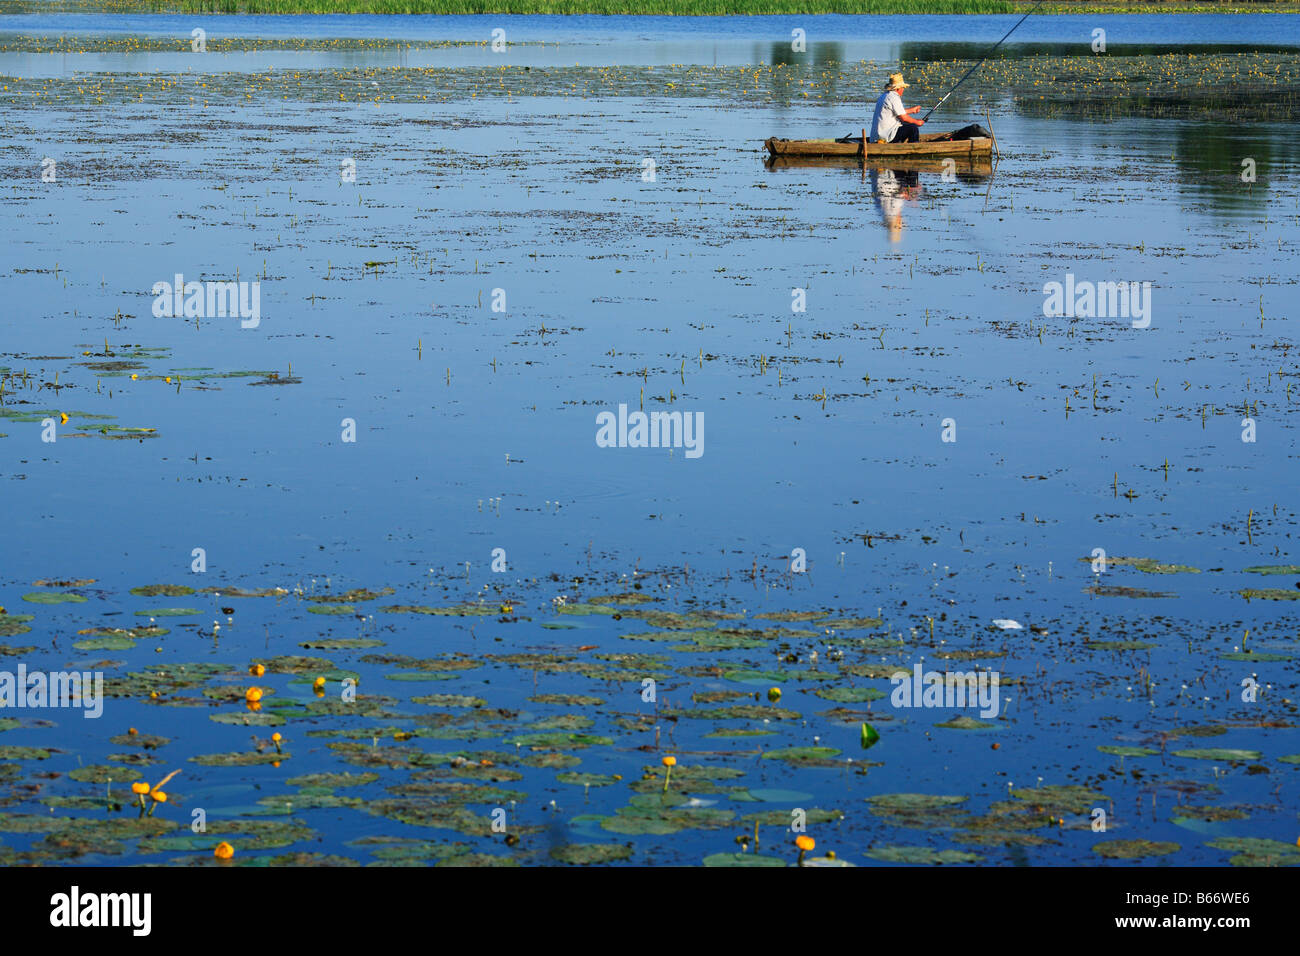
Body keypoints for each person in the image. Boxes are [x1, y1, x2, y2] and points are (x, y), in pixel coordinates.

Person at [870, 73, 925, 144]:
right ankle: (914, 149)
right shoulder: (894, 97)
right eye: (903, 87)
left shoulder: (885, 95)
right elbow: (903, 117)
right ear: (898, 88)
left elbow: (895, 112)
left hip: (877, 136)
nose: (903, 90)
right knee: (913, 128)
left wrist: (912, 110)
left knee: (907, 125)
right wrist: (917, 122)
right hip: (885, 137)